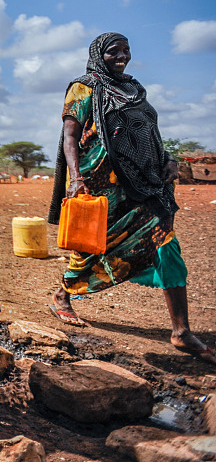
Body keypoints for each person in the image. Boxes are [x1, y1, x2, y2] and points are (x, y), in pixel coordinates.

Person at [47, 33, 215, 364]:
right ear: (99, 54)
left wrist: (167, 158)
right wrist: (76, 178)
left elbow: (149, 133)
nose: (123, 56)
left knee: (166, 243)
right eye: (114, 51)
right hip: (102, 184)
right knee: (93, 245)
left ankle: (181, 332)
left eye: (126, 50)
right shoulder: (84, 88)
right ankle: (61, 296)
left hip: (146, 184)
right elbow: (70, 136)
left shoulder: (134, 90)